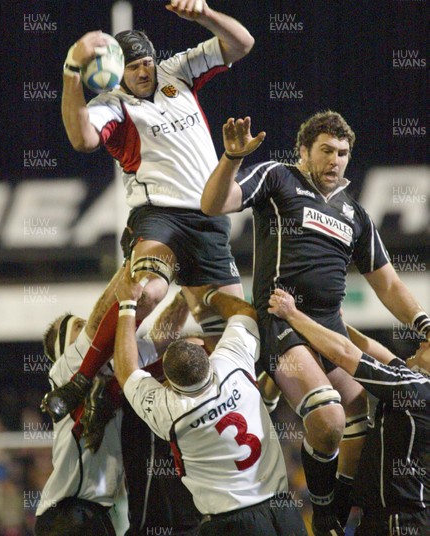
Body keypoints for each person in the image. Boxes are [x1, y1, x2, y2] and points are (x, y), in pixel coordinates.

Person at [200, 113, 430, 535]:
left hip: (328, 329)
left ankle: (334, 512)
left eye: (343, 153)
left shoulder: (355, 215)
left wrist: (424, 324)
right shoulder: (279, 178)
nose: (335, 160)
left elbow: (390, 283)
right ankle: (321, 512)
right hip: (283, 322)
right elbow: (214, 204)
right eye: (326, 150)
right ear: (304, 151)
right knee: (329, 419)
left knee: (361, 420)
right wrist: (231, 157)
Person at [43, 0, 254, 424]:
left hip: (210, 220)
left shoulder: (176, 71)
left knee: (240, 327)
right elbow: (81, 140)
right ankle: (82, 379)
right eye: (134, 65)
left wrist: (206, 14)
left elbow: (243, 44)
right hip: (159, 216)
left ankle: (232, 410)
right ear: (119, 70)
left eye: (147, 63)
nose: (143, 71)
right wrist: (71, 70)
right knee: (150, 290)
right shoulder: (111, 105)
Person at [113, 261, 308, 536]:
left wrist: (126, 305)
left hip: (231, 523)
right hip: (283, 510)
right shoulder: (231, 363)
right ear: (207, 358)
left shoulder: (171, 410)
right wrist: (206, 295)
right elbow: (244, 311)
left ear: (169, 382)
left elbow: (126, 371)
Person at [38, 269, 201, 535]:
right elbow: (107, 314)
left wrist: (185, 292)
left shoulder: (116, 367)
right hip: (66, 516)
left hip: (96, 517)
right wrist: (137, 262)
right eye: (79, 327)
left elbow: (161, 336)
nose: (91, 325)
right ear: (62, 351)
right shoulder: (66, 369)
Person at [268, 288, 430, 536]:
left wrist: (292, 314)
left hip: (404, 524)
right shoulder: (412, 384)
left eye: (429, 344)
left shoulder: (418, 389)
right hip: (380, 520)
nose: (422, 341)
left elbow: (345, 354)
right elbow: (364, 346)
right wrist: (333, 322)